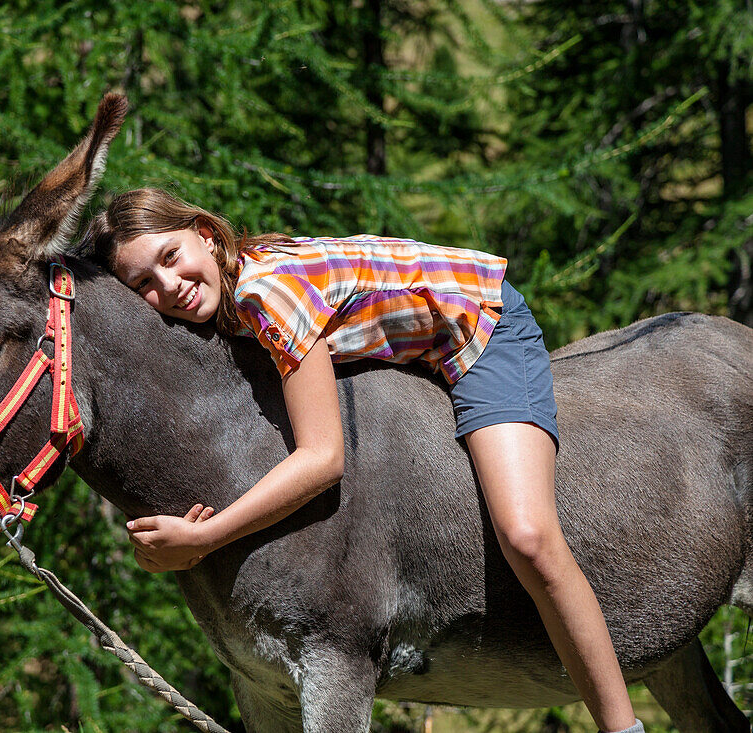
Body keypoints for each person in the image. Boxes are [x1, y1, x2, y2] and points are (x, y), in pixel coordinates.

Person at [85, 188, 642, 733]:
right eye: (144, 285)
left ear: (206, 236)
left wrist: (205, 539)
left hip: (479, 327)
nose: (170, 286)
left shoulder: (266, 295)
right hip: (416, 341)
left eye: (170, 257)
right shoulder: (227, 296)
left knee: (528, 537)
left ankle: (622, 728)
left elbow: (323, 458)